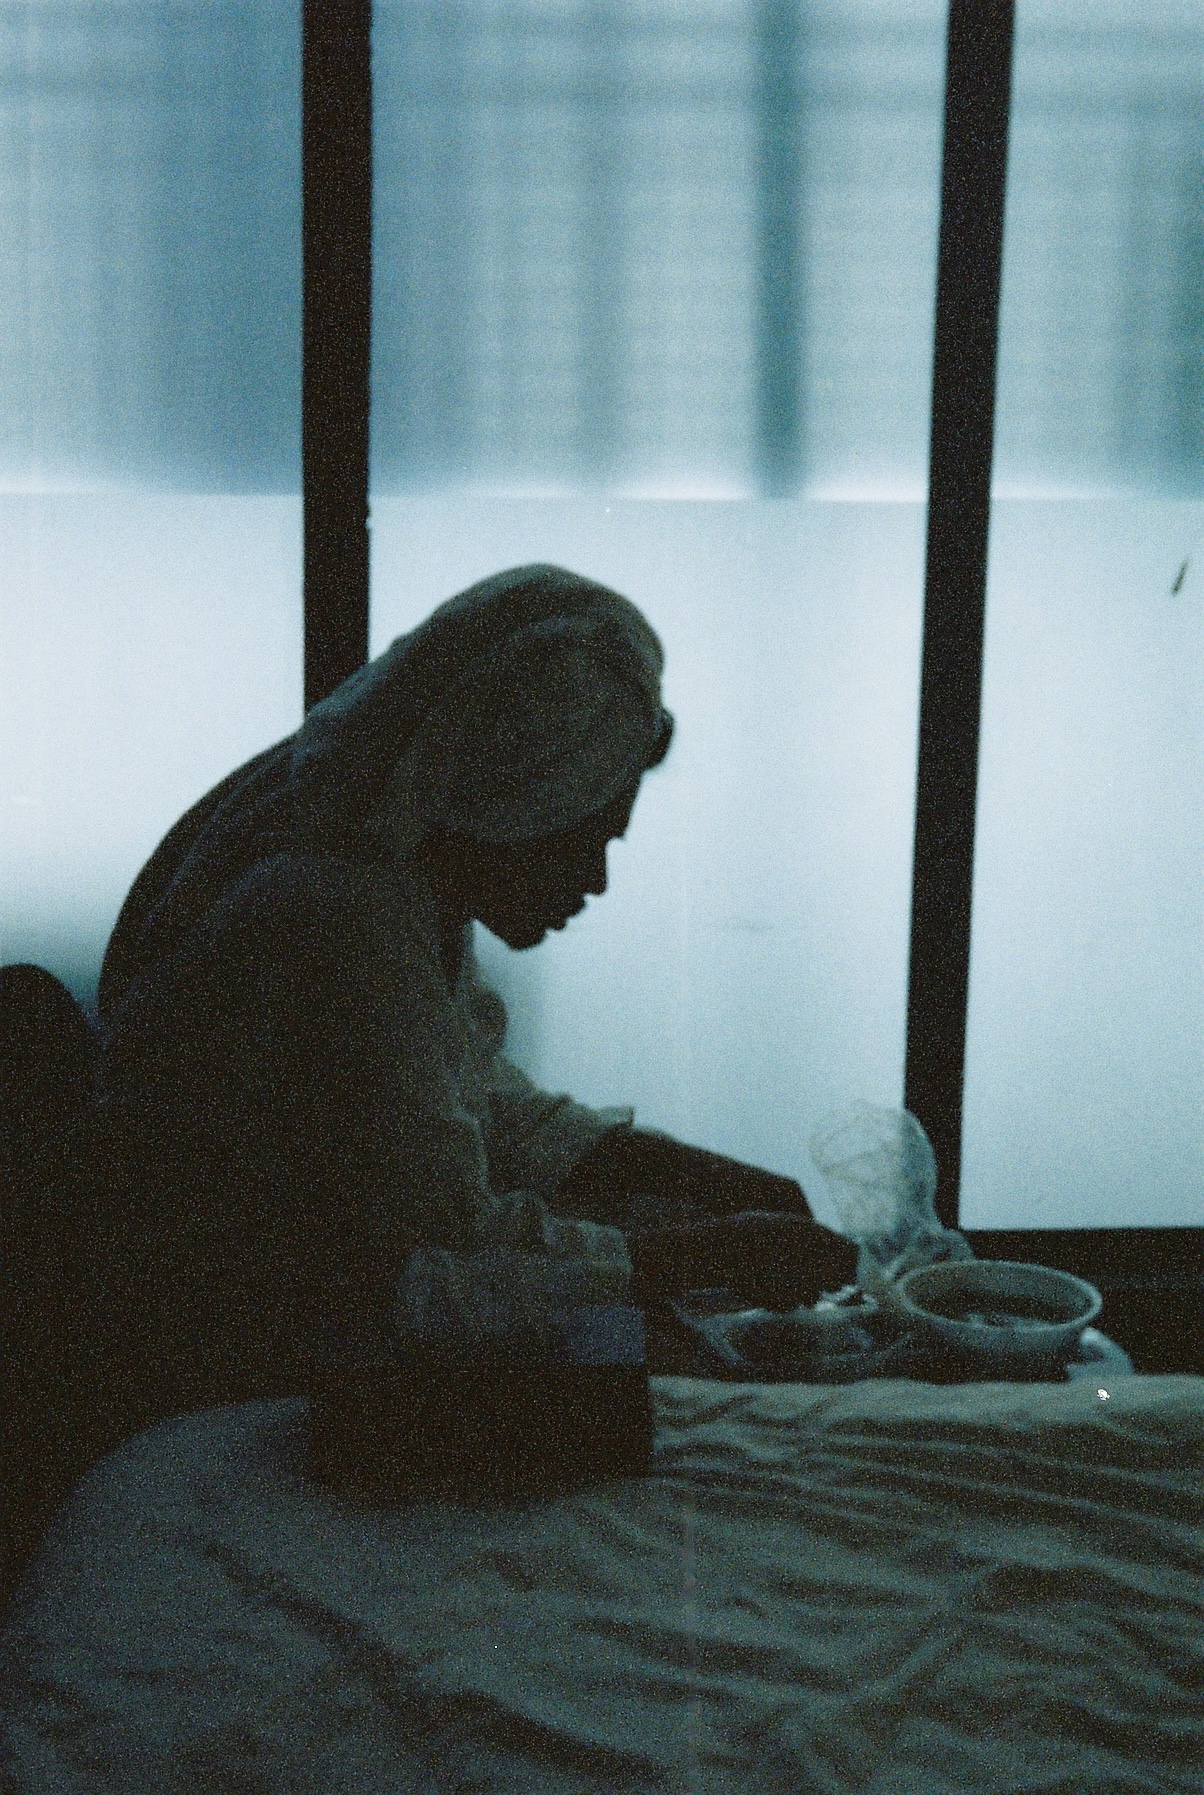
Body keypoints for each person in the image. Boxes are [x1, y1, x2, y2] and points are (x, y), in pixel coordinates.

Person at [85, 563, 854, 1452]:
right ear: (512, 799)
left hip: (298, 1325)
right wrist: (709, 1250)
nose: (598, 880)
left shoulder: (396, 882)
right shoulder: (340, 918)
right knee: (642, 1389)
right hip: (226, 1369)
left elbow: (473, 1107)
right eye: (587, 837)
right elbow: (446, 1259)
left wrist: (704, 1179)